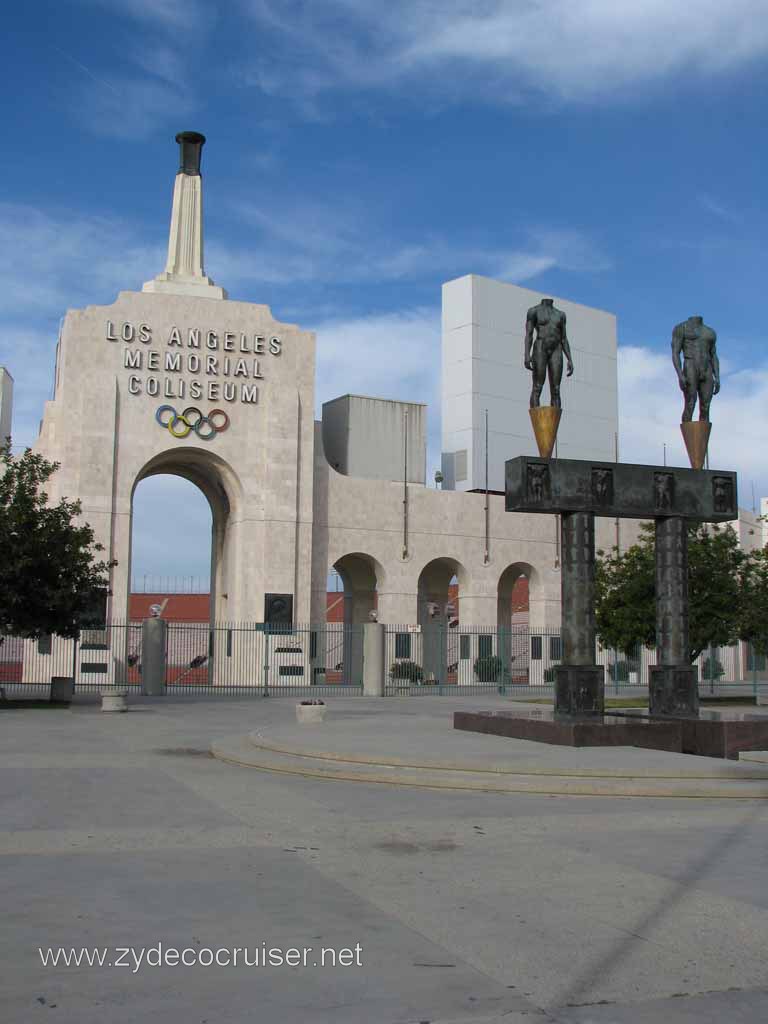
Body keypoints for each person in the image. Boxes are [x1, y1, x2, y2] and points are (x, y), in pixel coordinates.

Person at [524, 298, 574, 408]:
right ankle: (537, 424)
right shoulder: (534, 311)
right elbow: (529, 334)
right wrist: (527, 355)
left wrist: (570, 359)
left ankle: (554, 424)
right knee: (537, 386)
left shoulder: (561, 315)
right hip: (541, 347)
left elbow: (564, 338)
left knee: (556, 389)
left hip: (556, 349)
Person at [671, 316, 719, 422]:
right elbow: (675, 353)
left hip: (707, 368)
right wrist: (680, 375)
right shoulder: (681, 328)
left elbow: (713, 355)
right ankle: (688, 436)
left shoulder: (710, 332)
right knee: (690, 402)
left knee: (705, 407)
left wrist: (717, 377)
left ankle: (701, 437)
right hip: (690, 365)